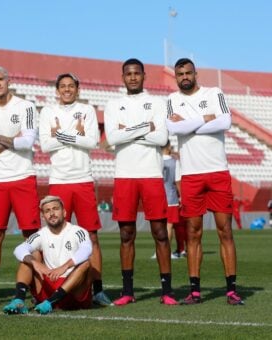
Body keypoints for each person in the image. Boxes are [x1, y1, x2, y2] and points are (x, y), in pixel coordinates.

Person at [166, 58, 244, 305]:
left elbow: (226, 121)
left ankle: (231, 290)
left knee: (225, 231)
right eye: (180, 74)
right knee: (192, 234)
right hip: (190, 174)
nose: (185, 76)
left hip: (217, 171)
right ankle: (195, 291)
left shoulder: (214, 93)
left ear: (195, 73)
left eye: (188, 72)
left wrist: (189, 124)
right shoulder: (171, 100)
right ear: (176, 77)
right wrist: (205, 119)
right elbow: (173, 128)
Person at [104, 58, 177, 306]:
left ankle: (167, 290)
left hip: (151, 175)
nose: (133, 77)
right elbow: (112, 137)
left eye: (137, 73)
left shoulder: (158, 102)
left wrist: (130, 132)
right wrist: (145, 127)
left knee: (160, 233)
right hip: (124, 175)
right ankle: (127, 291)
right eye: (128, 74)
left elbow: (161, 138)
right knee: (126, 234)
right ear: (122, 77)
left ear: (144, 76)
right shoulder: (114, 105)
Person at [38, 73, 111, 306]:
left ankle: (98, 290)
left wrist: (60, 134)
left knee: (91, 236)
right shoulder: (48, 111)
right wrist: (76, 135)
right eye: (63, 87)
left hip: (83, 179)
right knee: (56, 236)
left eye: (71, 86)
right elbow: (45, 144)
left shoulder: (87, 110)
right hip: (59, 180)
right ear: (57, 90)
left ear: (77, 89)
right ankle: (56, 286)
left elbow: (92, 142)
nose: (67, 90)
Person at [0, 65, 40, 304]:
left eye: (1, 79)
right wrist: (14, 140)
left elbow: (29, 142)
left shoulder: (26, 107)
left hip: (23, 176)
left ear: (8, 80)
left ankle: (36, 286)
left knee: (32, 235)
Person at [3, 195, 93, 315]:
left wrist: (64, 267)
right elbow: (19, 249)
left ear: (64, 212)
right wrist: (35, 263)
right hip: (50, 282)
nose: (52, 213)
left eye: (55, 209)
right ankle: (18, 300)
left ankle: (51, 302)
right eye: (47, 211)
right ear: (43, 216)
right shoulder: (41, 234)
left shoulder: (78, 232)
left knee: (86, 263)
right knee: (28, 257)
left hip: (73, 289)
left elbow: (86, 250)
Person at [151, 140, 182, 260]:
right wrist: (182, 196)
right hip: (171, 198)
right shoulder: (175, 162)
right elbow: (178, 181)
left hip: (156, 197)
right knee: (169, 226)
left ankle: (157, 251)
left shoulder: (155, 161)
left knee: (157, 226)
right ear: (169, 146)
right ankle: (166, 252)